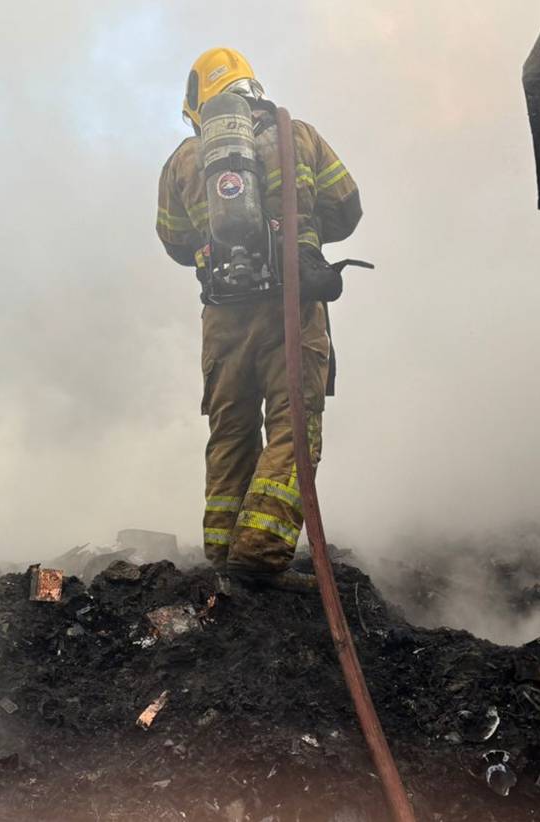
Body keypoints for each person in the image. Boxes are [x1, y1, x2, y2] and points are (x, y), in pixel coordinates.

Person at [156, 47, 362, 590]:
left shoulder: (183, 159)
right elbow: (348, 208)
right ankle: (261, 557)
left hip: (223, 320)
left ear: (196, 104)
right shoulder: (300, 136)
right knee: (294, 428)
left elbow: (175, 242)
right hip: (290, 310)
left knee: (230, 431)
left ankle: (223, 554)